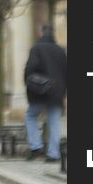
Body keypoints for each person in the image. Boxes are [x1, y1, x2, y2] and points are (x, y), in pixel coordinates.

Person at [24, 24, 67, 162]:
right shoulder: (61, 51)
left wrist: (29, 85)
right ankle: (53, 154)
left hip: (39, 92)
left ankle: (36, 146)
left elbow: (29, 70)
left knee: (30, 116)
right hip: (56, 93)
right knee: (54, 122)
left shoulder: (36, 49)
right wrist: (63, 92)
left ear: (41, 33)